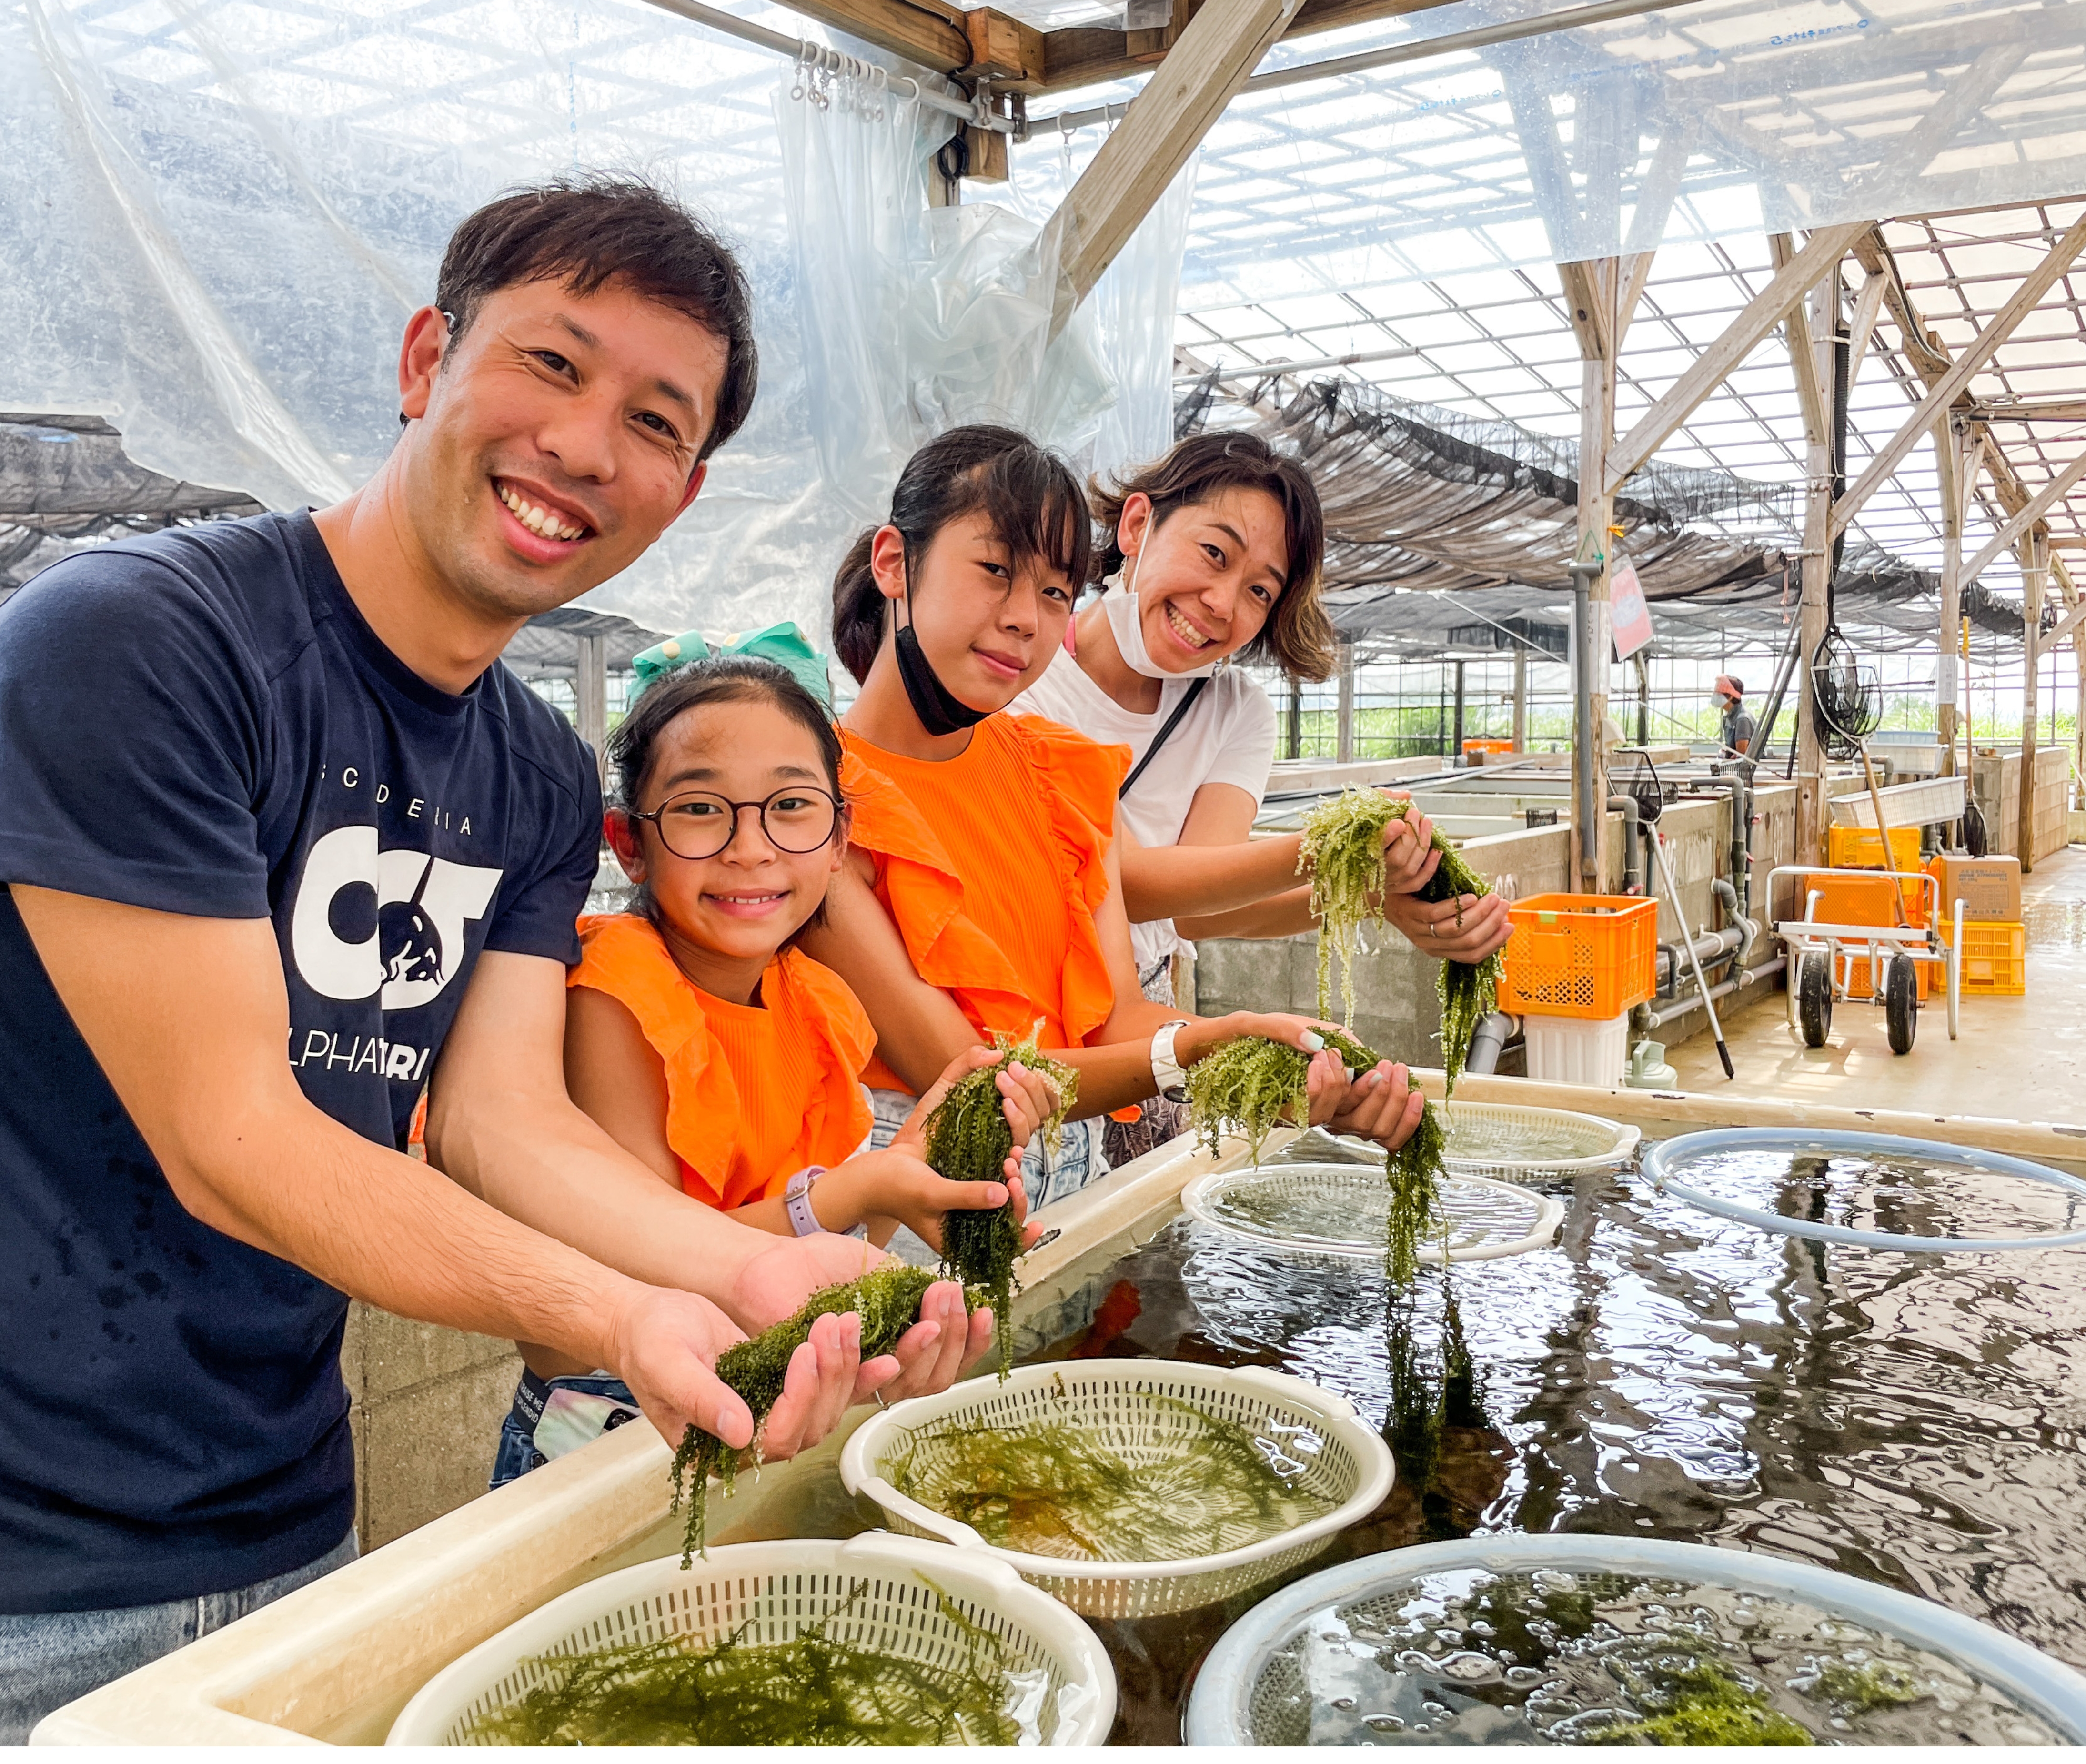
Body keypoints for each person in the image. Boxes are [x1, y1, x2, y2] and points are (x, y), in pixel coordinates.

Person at [0, 177, 976, 1743]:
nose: (587, 444)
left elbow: (503, 1123)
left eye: (657, 421)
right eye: (551, 362)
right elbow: (233, 1139)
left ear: (680, 495)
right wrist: (622, 1317)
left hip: (289, 1518)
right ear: (425, 361)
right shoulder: (137, 647)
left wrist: (741, 1268)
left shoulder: (538, 778)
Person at [807, 424, 1425, 1213]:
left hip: (1080, 1176)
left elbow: (1116, 1019)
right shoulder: (813, 803)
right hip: (916, 1202)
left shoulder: (1060, 773)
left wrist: (1287, 1066)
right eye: (996, 570)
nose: (1027, 619)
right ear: (894, 562)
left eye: (1056, 590)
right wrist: (1208, 1044)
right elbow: (970, 1067)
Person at [496, 644, 1057, 1484]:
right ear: (628, 843)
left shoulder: (823, 1002)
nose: (751, 847)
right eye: (698, 809)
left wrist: (915, 1172)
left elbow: (824, 1250)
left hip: (774, 1406)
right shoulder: (609, 992)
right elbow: (638, 1258)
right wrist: (861, 1187)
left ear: (840, 836)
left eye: (792, 805)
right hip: (606, 1428)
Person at [1012, 433, 1513, 1155]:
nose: (1220, 604)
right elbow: (1121, 881)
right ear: (1135, 526)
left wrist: (1370, 896)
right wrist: (1335, 857)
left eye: (1259, 591)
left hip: (1140, 1027)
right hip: (1026, 1027)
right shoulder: (1021, 675)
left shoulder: (1235, 710)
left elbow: (1197, 909)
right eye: (1214, 553)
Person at [1715, 675, 1757, 758]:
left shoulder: (1743, 720)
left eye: (1719, 695)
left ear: (1730, 697)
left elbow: (1741, 754)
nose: (1715, 697)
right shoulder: (1728, 718)